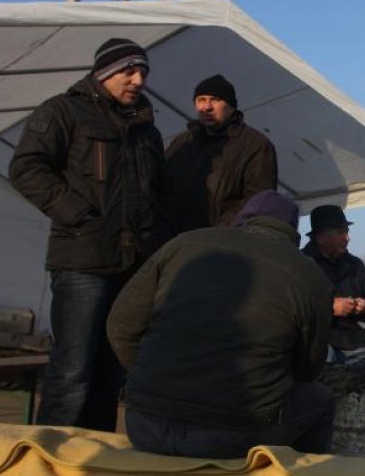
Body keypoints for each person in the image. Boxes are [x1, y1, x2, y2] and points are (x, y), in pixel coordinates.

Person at [8, 37, 169, 431]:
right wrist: (78, 214)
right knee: (72, 371)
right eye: (129, 71)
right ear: (105, 72)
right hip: (81, 261)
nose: (137, 80)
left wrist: (155, 246)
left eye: (143, 73)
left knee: (110, 374)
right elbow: (26, 168)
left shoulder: (147, 131)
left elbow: (159, 195)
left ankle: (93, 459)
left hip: (131, 267)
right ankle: (47, 457)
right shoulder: (63, 111)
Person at [107, 190, 334, 458]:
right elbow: (308, 369)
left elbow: (120, 327)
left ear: (243, 219)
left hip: (145, 423)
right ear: (292, 230)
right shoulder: (310, 276)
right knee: (321, 400)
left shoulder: (183, 244)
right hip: (234, 434)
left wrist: (150, 377)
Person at [165, 74, 277, 233]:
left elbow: (259, 205)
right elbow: (161, 188)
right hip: (176, 243)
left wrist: (220, 234)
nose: (207, 107)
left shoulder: (255, 146)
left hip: (223, 245)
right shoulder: (182, 143)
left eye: (215, 100)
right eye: (201, 100)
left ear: (231, 107)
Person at [301, 204, 365, 361]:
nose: (347, 238)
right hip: (315, 345)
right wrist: (330, 308)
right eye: (340, 232)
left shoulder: (355, 265)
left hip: (354, 343)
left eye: (347, 231)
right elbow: (292, 308)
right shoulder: (301, 264)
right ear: (320, 237)